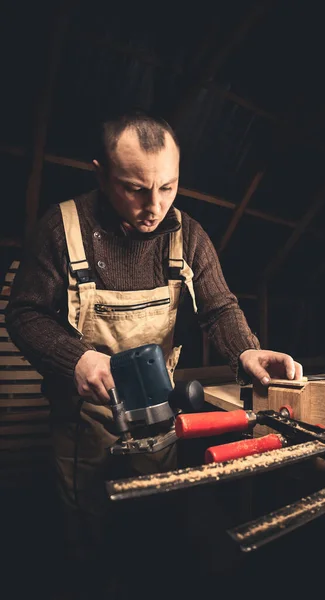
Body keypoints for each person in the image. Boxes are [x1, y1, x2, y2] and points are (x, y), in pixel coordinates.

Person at [5, 108, 303, 591]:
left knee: (152, 531)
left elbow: (218, 307)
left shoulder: (188, 235)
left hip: (159, 419)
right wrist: (75, 358)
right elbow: (24, 314)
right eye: (135, 188)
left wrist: (245, 351)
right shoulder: (61, 230)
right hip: (84, 424)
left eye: (168, 187)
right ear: (101, 174)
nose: (155, 205)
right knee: (88, 541)